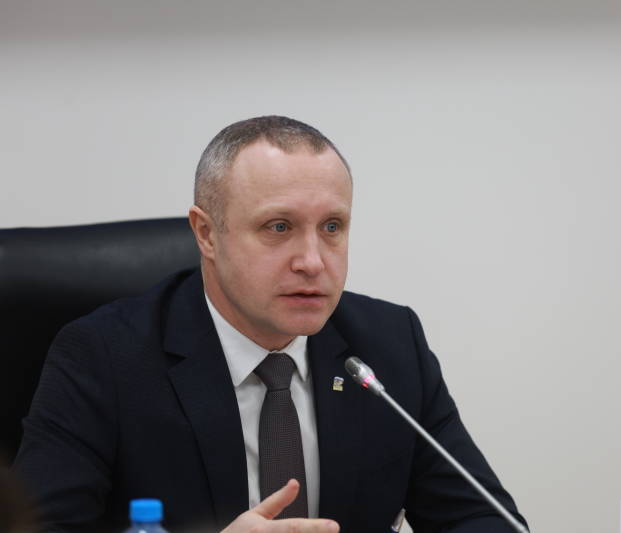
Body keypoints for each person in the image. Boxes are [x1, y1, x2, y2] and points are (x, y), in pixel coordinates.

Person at [13, 116, 526, 533]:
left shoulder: (389, 344)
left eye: (332, 227)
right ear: (206, 234)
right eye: (279, 227)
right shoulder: (104, 356)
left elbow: (480, 517)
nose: (313, 261)